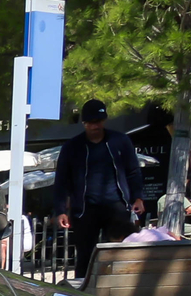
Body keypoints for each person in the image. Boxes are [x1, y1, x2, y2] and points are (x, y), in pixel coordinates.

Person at [53, 98, 145, 281]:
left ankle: (119, 288)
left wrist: (138, 198)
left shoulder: (120, 141)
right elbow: (61, 180)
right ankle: (84, 295)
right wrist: (60, 210)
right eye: (91, 122)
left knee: (119, 253)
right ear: (84, 123)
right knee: (85, 256)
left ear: (104, 121)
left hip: (117, 205)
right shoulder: (72, 147)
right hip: (85, 209)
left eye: (99, 121)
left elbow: (133, 171)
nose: (95, 126)